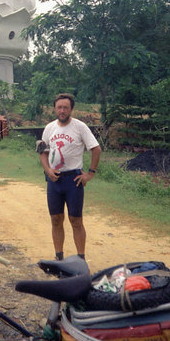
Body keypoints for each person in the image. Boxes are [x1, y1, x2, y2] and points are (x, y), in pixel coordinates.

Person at [39, 93, 101, 260]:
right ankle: (59, 257)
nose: (62, 110)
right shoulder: (50, 128)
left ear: (71, 109)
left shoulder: (80, 127)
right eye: (59, 107)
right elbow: (43, 152)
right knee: (56, 220)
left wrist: (90, 174)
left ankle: (81, 259)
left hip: (73, 180)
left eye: (66, 107)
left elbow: (96, 149)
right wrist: (47, 170)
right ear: (55, 109)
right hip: (54, 180)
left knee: (76, 220)